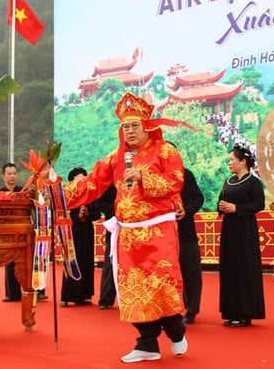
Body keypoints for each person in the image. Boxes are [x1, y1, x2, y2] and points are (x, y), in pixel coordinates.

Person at [63, 91, 193, 363]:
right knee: (135, 289)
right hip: (128, 236)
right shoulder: (116, 158)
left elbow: (176, 181)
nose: (130, 131)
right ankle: (147, 343)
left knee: (160, 286)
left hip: (158, 232)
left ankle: (175, 329)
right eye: (125, 126)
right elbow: (92, 183)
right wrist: (58, 194)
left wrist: (144, 177)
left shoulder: (165, 151)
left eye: (135, 125)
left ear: (147, 126)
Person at [217, 144, 265, 328]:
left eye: (232, 159)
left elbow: (259, 204)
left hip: (245, 229)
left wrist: (237, 208)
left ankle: (246, 312)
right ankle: (231, 311)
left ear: (243, 161)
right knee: (230, 268)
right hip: (229, 228)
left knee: (244, 268)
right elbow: (221, 200)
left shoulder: (253, 182)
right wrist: (221, 206)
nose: (229, 162)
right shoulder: (228, 181)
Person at [0, 163, 48, 302]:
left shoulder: (24, 191)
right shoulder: (0, 193)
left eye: (14, 173)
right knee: (10, 262)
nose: (12, 176)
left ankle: (38, 291)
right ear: (3, 176)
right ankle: (12, 294)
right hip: (9, 232)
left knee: (32, 261)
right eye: (9, 173)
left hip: (26, 231)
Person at [168, 141, 204, 324]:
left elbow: (199, 198)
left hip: (185, 233)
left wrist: (186, 211)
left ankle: (191, 309)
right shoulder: (151, 176)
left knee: (190, 272)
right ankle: (170, 309)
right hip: (162, 235)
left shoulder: (185, 174)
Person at [59, 167, 102, 307]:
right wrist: (77, 216)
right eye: (78, 179)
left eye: (84, 178)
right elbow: (62, 215)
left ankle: (83, 295)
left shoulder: (91, 195)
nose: (82, 181)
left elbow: (97, 214)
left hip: (87, 231)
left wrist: (87, 213)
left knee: (86, 261)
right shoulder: (67, 196)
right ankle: (67, 295)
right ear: (71, 181)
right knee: (72, 261)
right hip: (72, 232)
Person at [95, 184, 117, 310]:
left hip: (135, 229)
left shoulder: (136, 181)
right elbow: (99, 203)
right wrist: (115, 210)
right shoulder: (110, 184)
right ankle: (106, 299)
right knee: (110, 263)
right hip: (114, 229)